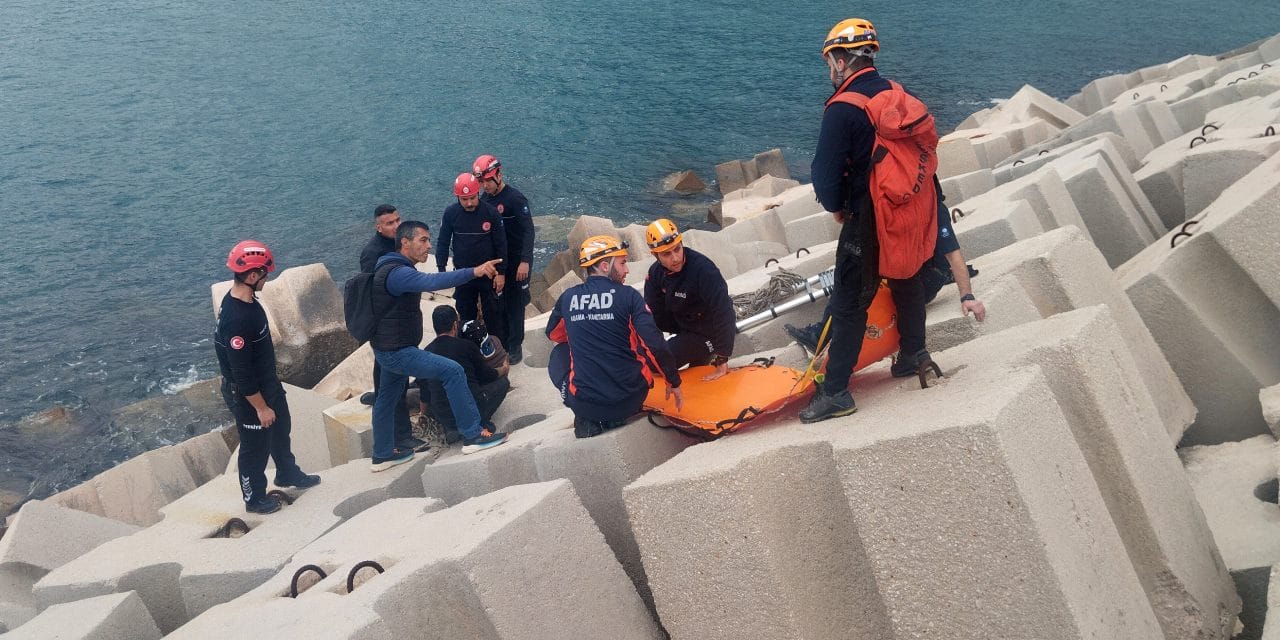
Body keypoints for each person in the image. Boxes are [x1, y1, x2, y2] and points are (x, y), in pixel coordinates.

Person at [800, 17, 933, 423]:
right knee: (906, 277)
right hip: (907, 205)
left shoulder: (842, 109)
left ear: (841, 60)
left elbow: (824, 178)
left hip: (867, 216)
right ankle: (914, 353)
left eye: (830, 60)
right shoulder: (895, 92)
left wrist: (839, 205)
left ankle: (836, 390)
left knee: (849, 301)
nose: (829, 69)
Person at [785, 183, 987, 356]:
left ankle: (822, 335)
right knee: (854, 272)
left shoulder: (932, 208)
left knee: (855, 283)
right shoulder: (908, 202)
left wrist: (966, 296)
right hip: (913, 270)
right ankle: (823, 331)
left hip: (926, 277)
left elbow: (952, 253)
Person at [370, 221, 507, 470]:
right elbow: (433, 282)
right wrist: (473, 272)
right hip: (398, 351)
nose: (428, 246)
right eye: (423, 240)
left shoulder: (388, 265)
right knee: (452, 370)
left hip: (385, 348)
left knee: (386, 398)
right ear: (405, 242)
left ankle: (381, 455)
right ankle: (473, 434)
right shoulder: (398, 273)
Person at [214, 240, 320, 514]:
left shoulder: (247, 301)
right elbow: (241, 372)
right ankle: (254, 498)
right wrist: (260, 408)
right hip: (249, 393)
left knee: (281, 428)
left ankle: (287, 472)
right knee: (254, 449)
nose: (267, 278)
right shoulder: (237, 318)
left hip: (268, 382)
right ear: (252, 276)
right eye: (265, 274)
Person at [546, 235, 684, 438]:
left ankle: (584, 417)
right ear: (604, 266)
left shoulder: (568, 298)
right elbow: (654, 344)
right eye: (622, 263)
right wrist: (673, 381)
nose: (627, 269)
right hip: (633, 399)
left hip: (587, 406)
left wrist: (586, 327)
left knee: (560, 353)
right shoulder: (628, 296)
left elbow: (554, 335)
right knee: (634, 340)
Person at [357, 204, 428, 452]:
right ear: (379, 227)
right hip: (387, 332)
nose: (396, 226)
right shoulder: (373, 253)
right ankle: (400, 438)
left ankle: (389, 441)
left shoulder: (400, 246)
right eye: (390, 223)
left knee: (391, 385)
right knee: (392, 390)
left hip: (401, 327)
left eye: (398, 220)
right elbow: (371, 295)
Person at [641, 219, 736, 381]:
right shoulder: (655, 274)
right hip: (685, 328)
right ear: (655, 255)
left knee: (657, 362)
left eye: (677, 249)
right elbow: (652, 315)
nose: (675, 258)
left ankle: (705, 353)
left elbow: (724, 312)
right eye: (666, 254)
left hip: (708, 332)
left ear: (681, 243)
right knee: (645, 356)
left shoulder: (704, 270)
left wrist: (722, 358)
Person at [474, 154, 535, 365]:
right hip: (499, 262)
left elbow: (528, 231)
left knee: (516, 304)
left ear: (498, 175)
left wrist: (525, 261)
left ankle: (515, 344)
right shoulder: (485, 201)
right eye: (481, 183)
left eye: (486, 182)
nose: (484, 187)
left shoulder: (515, 199)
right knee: (499, 306)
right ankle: (503, 343)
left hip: (518, 261)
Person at [419, 306, 511, 444]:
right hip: (470, 408)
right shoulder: (466, 346)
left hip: (443, 415)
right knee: (503, 383)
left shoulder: (426, 353)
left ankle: (452, 428)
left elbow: (425, 393)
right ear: (455, 325)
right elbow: (486, 376)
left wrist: (423, 415)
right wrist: (503, 369)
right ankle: (482, 422)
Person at [437, 173, 506, 340]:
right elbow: (443, 242)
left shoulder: (491, 213)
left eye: (472, 198)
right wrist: (442, 269)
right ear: (457, 197)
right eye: (464, 199)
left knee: (493, 315)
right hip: (463, 274)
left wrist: (501, 273)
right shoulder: (451, 213)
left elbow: (501, 244)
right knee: (465, 315)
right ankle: (469, 349)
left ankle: (497, 349)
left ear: (478, 193)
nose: (469, 203)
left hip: (489, 274)